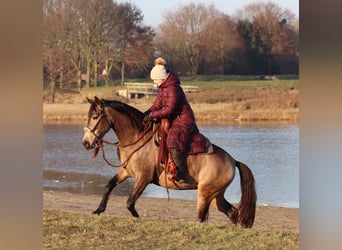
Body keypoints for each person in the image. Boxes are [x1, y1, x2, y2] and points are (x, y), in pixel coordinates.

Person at [143, 57, 200, 182]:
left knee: (172, 140)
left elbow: (168, 110)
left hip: (183, 120)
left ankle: (181, 172)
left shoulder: (173, 89)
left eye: (155, 80)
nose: (154, 82)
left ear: (162, 78)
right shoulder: (162, 88)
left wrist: (153, 115)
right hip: (174, 119)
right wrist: (145, 114)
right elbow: (156, 105)